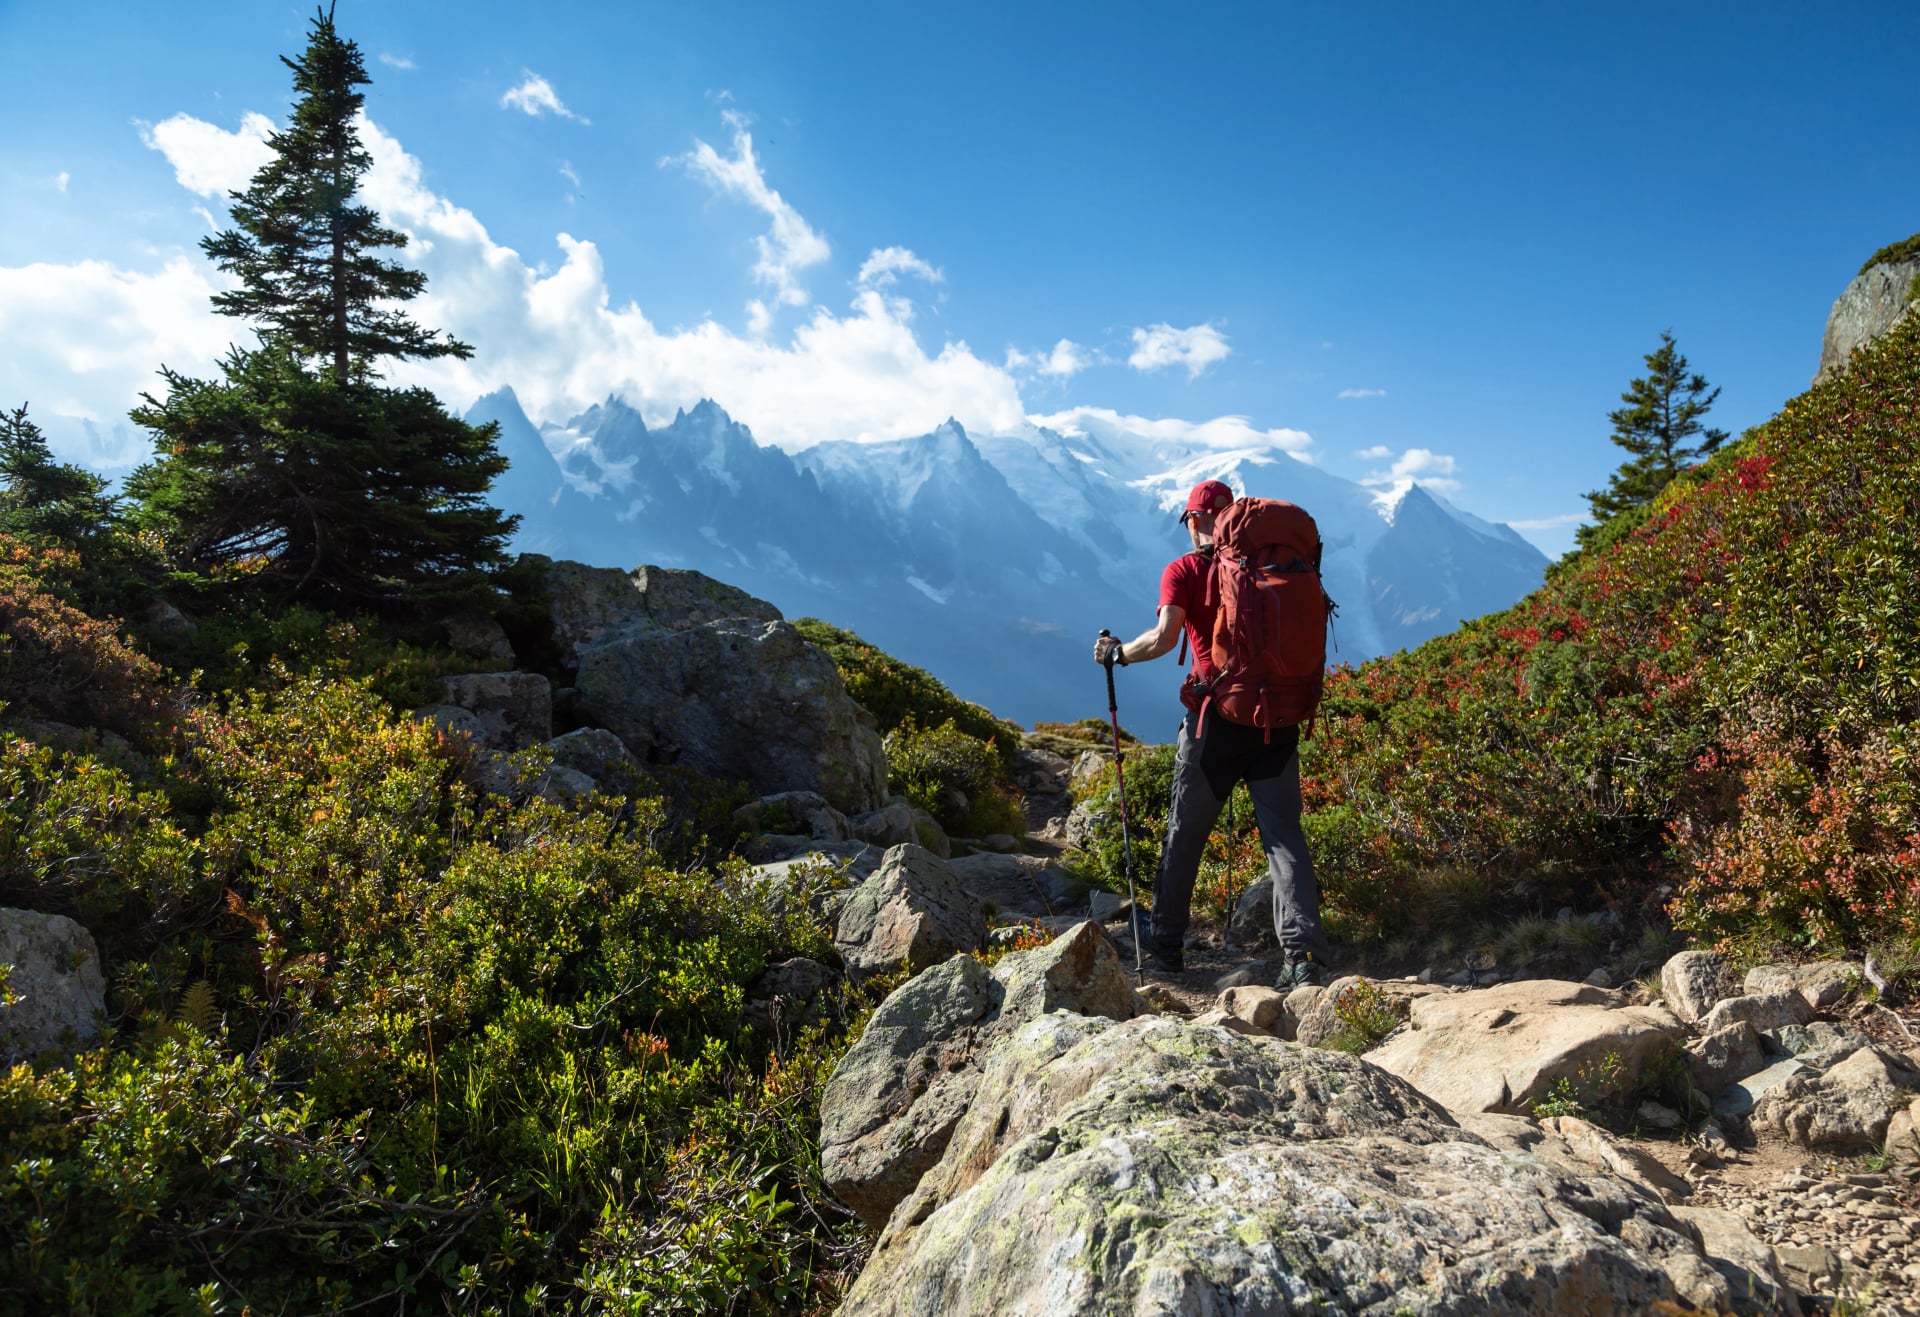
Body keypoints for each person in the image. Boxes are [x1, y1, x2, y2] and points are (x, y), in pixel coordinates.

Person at [1092, 478, 1331, 987]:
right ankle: (1303, 958)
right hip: (1279, 720)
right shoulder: (1280, 561)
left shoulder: (1184, 569)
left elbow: (1163, 638)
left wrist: (1117, 653)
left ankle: (1166, 946)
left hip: (1215, 724)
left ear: (1196, 520)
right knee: (1284, 838)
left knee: (1185, 834)